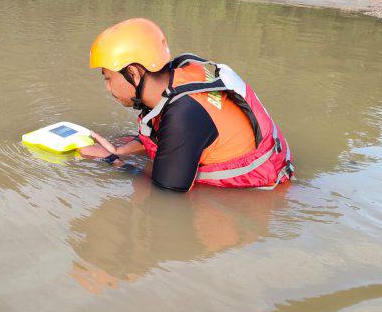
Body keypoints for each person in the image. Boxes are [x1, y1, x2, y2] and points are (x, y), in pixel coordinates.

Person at [83, 18, 294, 192]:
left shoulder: (183, 116)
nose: (107, 88)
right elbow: (162, 137)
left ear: (133, 74)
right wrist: (120, 150)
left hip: (259, 197)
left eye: (107, 78)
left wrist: (111, 160)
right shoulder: (182, 72)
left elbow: (166, 194)